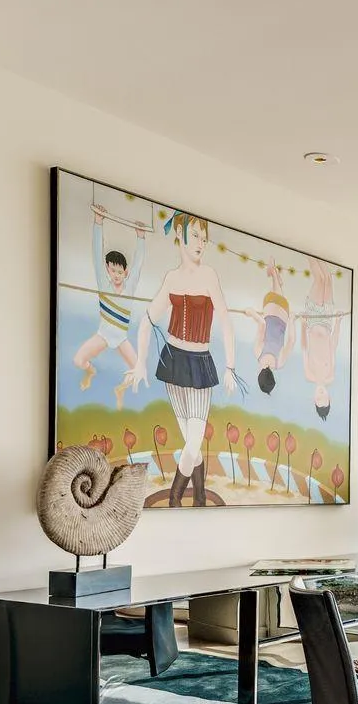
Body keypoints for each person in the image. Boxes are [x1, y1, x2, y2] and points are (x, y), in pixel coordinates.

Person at [131, 209, 236, 506]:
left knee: (193, 442)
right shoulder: (171, 278)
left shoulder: (209, 275)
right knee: (192, 441)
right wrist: (139, 362)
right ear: (180, 234)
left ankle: (175, 497)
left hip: (200, 363)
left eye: (204, 237)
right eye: (196, 235)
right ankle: (199, 496)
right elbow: (147, 321)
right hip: (173, 362)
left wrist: (230, 366)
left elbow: (226, 321)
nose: (201, 242)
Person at [73, 204, 146, 407]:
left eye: (120, 272)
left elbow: (138, 266)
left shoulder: (129, 288)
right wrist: (98, 222)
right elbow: (97, 257)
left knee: (138, 371)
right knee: (78, 360)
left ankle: (120, 389)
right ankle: (90, 371)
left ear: (125, 272)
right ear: (108, 269)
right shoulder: (104, 285)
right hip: (103, 335)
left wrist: (140, 237)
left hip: (121, 338)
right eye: (113, 271)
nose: (116, 275)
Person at [299, 256, 343, 420]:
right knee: (328, 279)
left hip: (313, 320)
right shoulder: (330, 375)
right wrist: (338, 322)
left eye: (318, 399)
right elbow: (333, 346)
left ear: (314, 399)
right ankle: (316, 253)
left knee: (319, 279)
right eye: (324, 398)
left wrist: (302, 325)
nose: (320, 394)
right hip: (327, 321)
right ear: (329, 397)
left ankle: (309, 253)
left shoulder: (309, 374)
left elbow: (304, 348)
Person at [255, 268, 294, 394]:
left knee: (278, 293)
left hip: (284, 312)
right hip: (269, 305)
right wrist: (251, 313)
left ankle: (276, 279)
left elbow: (291, 341)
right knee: (274, 294)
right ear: (259, 374)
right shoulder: (258, 353)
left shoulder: (279, 363)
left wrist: (291, 321)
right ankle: (274, 275)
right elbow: (262, 323)